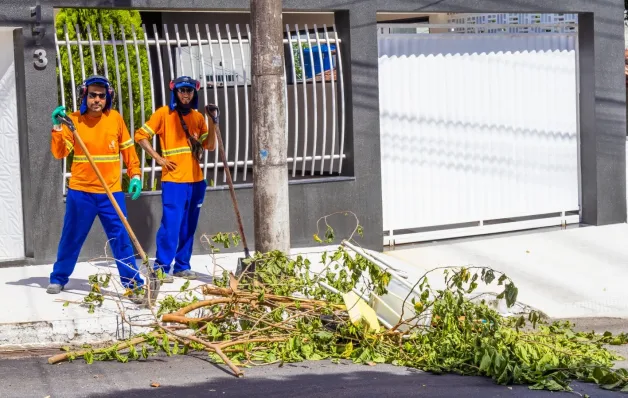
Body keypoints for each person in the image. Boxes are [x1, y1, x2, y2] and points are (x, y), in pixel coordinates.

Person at [48, 75, 145, 303]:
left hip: (111, 192)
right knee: (71, 237)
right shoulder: (73, 121)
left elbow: (129, 152)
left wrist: (136, 176)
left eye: (101, 96)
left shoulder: (115, 120)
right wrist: (56, 126)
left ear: (107, 97)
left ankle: (133, 285)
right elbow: (60, 153)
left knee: (121, 238)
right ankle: (59, 278)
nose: (97, 100)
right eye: (92, 95)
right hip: (81, 192)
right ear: (85, 95)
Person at [135, 76, 217, 284]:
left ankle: (182, 266)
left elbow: (210, 146)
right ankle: (162, 267)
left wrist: (212, 123)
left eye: (189, 90)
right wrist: (158, 158)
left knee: (189, 225)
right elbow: (140, 135)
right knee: (171, 225)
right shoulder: (164, 114)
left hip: (196, 181)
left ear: (194, 93)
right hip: (173, 181)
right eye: (182, 91)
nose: (186, 94)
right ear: (175, 93)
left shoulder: (198, 118)